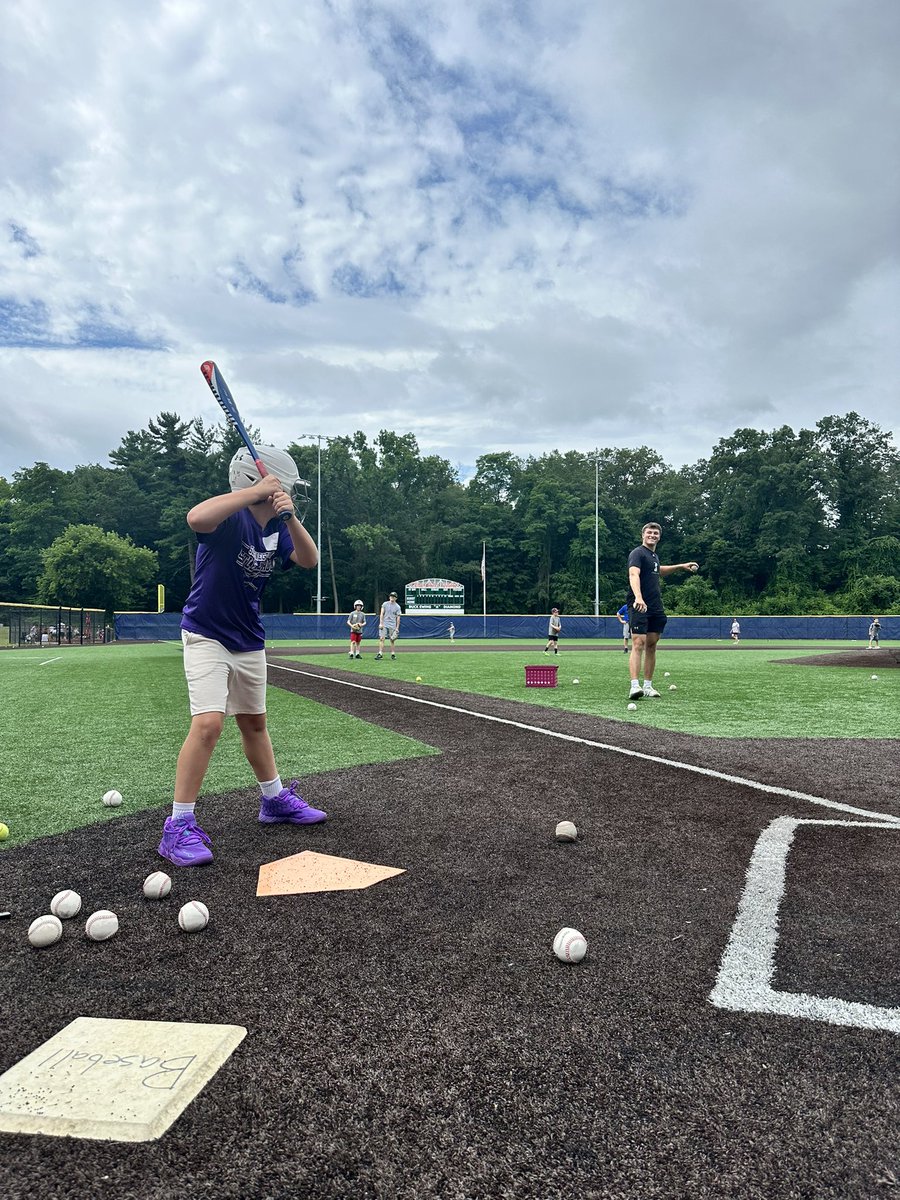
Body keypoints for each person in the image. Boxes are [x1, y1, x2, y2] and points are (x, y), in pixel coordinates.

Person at [158, 445, 326, 869]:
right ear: (263, 484)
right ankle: (177, 826)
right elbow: (196, 517)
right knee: (209, 722)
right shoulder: (230, 518)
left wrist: (289, 514)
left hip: (248, 638)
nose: (291, 493)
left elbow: (310, 560)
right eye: (287, 488)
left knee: (254, 722)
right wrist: (253, 495)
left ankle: (274, 801)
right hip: (206, 633)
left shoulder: (279, 528)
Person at [627, 522, 699, 701]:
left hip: (656, 606)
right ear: (642, 535)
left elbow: (659, 571)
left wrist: (681, 566)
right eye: (649, 532)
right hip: (639, 604)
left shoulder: (654, 556)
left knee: (651, 645)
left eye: (655, 533)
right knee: (638, 643)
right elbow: (633, 574)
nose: (652, 535)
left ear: (659, 537)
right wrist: (638, 597)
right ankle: (634, 686)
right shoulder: (637, 553)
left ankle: (648, 686)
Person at [376, 591, 402, 660]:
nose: (392, 597)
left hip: (392, 625)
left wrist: (397, 628)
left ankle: (393, 654)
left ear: (396, 598)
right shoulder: (385, 604)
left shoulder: (397, 607)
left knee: (392, 639)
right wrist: (381, 623)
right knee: (382, 638)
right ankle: (380, 654)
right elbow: (381, 614)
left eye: (393, 596)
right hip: (384, 624)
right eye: (391, 596)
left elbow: (398, 618)